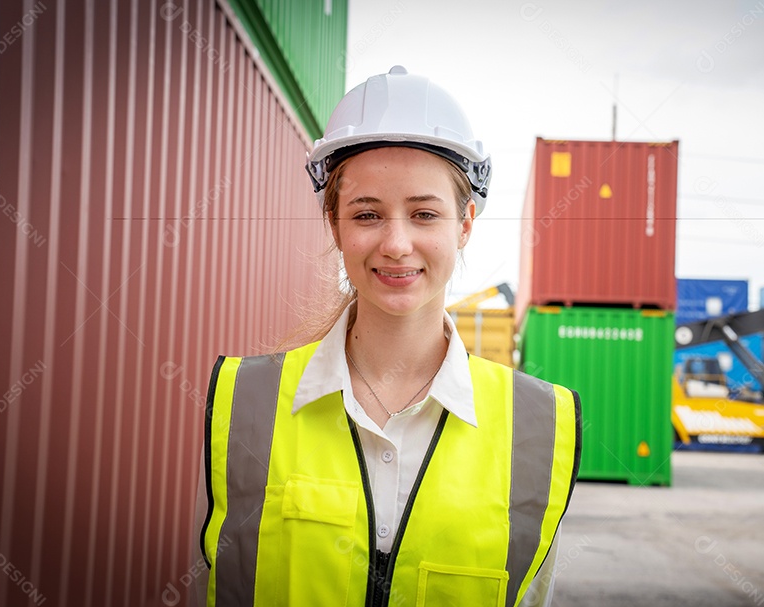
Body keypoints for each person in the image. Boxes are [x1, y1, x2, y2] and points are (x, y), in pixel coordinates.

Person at [195, 66, 581, 607]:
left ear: (465, 223)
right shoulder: (245, 406)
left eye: (424, 213)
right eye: (367, 214)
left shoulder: (540, 427)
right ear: (334, 224)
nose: (397, 244)